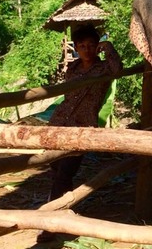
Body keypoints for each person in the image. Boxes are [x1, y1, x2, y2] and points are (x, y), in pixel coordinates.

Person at [48, 24, 123, 203]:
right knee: (56, 167)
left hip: (82, 126)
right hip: (60, 122)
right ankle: (63, 207)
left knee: (66, 169)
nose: (87, 50)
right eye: (82, 46)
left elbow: (118, 70)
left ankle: (52, 211)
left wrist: (109, 47)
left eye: (91, 45)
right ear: (76, 48)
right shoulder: (73, 68)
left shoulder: (104, 68)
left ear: (97, 46)